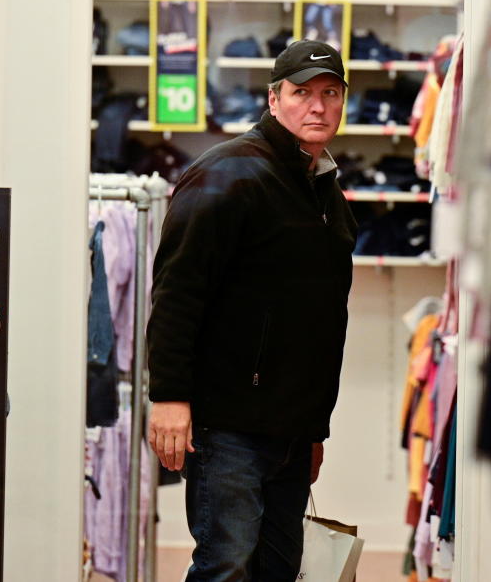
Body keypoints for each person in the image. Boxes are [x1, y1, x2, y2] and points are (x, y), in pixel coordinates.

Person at [146, 39, 357, 581]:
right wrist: (168, 396)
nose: (317, 106)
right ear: (273, 99)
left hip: (291, 428)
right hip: (229, 425)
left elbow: (320, 318)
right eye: (302, 93)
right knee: (226, 567)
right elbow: (176, 291)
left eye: (330, 93)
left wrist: (313, 429)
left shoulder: (324, 188)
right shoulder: (227, 173)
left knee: (278, 569)